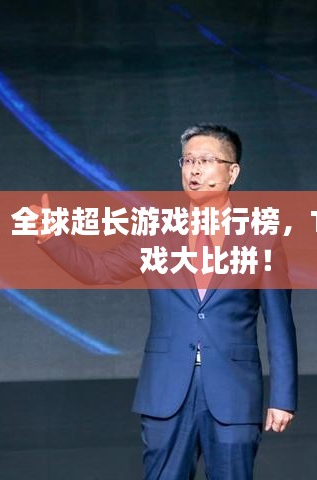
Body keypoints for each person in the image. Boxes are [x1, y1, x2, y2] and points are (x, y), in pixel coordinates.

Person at [31, 123, 297, 479]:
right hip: (166, 393)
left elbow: (280, 322)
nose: (195, 170)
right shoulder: (156, 232)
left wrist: (282, 397)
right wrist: (54, 238)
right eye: (188, 160)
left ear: (232, 172)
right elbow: (97, 270)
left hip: (233, 394)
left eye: (206, 160)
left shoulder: (261, 238)